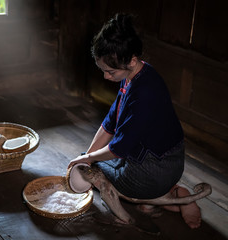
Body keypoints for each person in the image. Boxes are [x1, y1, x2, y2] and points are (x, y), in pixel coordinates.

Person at [68, 13, 201, 229]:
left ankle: (129, 212)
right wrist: (87, 157)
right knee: (88, 159)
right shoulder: (137, 75)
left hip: (154, 172)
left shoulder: (145, 92)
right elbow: (109, 124)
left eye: (110, 72)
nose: (106, 77)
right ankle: (172, 195)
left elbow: (118, 149)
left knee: (91, 168)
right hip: (165, 162)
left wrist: (87, 160)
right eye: (103, 71)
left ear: (131, 60)